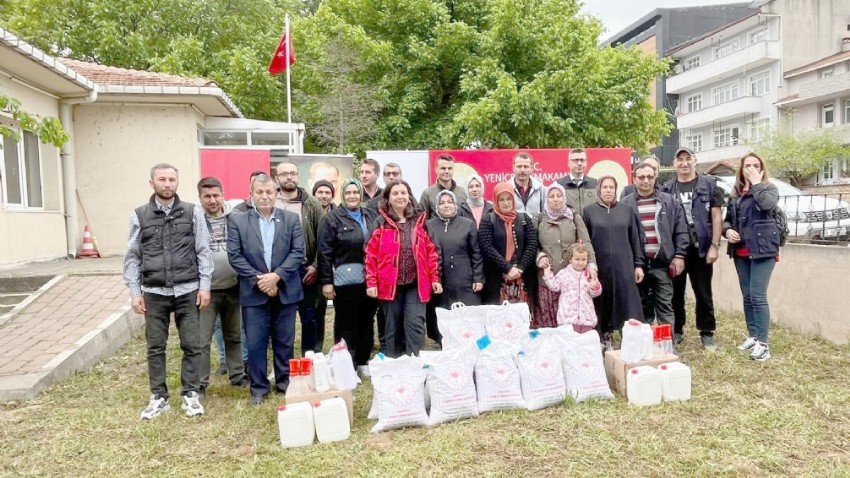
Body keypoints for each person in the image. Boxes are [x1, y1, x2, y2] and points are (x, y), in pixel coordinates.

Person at [124, 163, 212, 420]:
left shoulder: (192, 212)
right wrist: (134, 291)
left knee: (192, 344)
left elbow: (203, 251)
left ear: (178, 182)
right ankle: (159, 397)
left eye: (172, 179)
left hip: (188, 289)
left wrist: (204, 286)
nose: (167, 184)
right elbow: (132, 256)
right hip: (154, 291)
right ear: (152, 183)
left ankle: (191, 394)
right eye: (162, 179)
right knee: (155, 346)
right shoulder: (139, 215)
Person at [227, 173, 305, 406]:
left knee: (284, 340)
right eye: (259, 192)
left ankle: (284, 382)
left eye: (269, 192)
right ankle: (259, 388)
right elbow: (235, 256)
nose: (264, 196)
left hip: (286, 290)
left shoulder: (291, 220)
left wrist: (277, 277)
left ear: (276, 194)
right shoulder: (239, 221)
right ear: (251, 194)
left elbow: (297, 252)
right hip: (254, 292)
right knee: (256, 342)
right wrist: (261, 280)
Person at [365, 180, 441, 357]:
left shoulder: (420, 221)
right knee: (392, 326)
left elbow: (432, 252)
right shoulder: (380, 223)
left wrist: (435, 278)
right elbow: (370, 255)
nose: (400, 196)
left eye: (403, 193)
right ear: (388, 198)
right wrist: (371, 282)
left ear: (409, 196)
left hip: (416, 283)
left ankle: (415, 364)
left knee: (414, 325)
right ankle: (395, 364)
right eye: (395, 193)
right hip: (389, 285)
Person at [660, 147, 724, 351]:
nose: (684, 163)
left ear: (695, 161)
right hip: (677, 250)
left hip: (702, 249)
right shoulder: (667, 188)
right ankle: (677, 330)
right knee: (675, 293)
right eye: (680, 160)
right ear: (674, 163)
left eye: (688, 159)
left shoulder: (709, 185)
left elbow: (716, 217)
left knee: (703, 293)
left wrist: (714, 246)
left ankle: (707, 333)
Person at [722, 153, 780, 362]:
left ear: (762, 169)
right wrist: (727, 231)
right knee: (747, 296)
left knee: (757, 295)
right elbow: (727, 220)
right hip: (741, 251)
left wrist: (756, 183)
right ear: (741, 169)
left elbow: (767, 206)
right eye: (748, 165)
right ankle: (753, 336)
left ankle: (763, 344)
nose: (751, 168)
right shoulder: (736, 193)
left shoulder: (769, 189)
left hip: (763, 251)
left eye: (756, 165)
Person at [318, 178, 380, 373]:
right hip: (345, 282)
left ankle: (362, 360)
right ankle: (346, 363)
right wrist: (327, 282)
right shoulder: (332, 219)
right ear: (343, 195)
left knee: (367, 320)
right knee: (346, 323)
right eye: (348, 193)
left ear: (361, 194)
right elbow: (324, 253)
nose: (352, 196)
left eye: (356, 192)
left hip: (369, 279)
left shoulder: (371, 214)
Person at [620, 163, 688, 335]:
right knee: (640, 308)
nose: (645, 181)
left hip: (662, 264)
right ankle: (644, 346)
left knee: (665, 306)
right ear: (634, 179)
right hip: (637, 266)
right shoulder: (625, 205)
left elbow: (681, 230)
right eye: (641, 177)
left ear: (655, 177)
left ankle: (667, 346)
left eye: (649, 177)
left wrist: (679, 255)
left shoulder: (669, 201)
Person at [196, 177, 248, 395]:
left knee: (234, 335)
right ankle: (199, 383)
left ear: (223, 194)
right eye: (207, 196)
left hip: (234, 287)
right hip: (206, 290)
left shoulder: (236, 218)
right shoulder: (194, 220)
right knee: (202, 339)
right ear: (200, 197)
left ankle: (237, 375)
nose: (212, 200)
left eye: (216, 195)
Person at [582, 176, 645, 351]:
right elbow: (584, 241)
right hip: (600, 268)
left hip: (624, 267)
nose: (608, 190)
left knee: (628, 303)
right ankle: (604, 337)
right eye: (605, 187)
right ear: (598, 190)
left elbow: (636, 239)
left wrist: (638, 264)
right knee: (602, 303)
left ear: (616, 190)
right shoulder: (588, 212)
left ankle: (630, 338)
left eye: (611, 187)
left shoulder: (627, 210)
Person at [275, 161, 323, 354]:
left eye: (293, 173)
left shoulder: (312, 204)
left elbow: (323, 238)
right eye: (284, 174)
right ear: (276, 178)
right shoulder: (271, 202)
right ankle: (283, 361)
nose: (289, 177)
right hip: (278, 272)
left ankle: (309, 357)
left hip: (305, 271)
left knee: (309, 317)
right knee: (281, 319)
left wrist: (316, 265)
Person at [533, 182, 596, 329]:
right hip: (547, 279)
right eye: (552, 196)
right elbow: (532, 245)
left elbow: (586, 243)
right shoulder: (539, 219)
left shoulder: (574, 218)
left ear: (564, 198)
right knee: (549, 322)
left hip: (572, 281)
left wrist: (592, 267)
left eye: (559, 195)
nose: (556, 199)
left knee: (571, 323)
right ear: (546, 199)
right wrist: (539, 256)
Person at [426, 190, 485, 344]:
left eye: (449, 202)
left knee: (469, 319)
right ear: (437, 206)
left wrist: (478, 277)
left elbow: (476, 253)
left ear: (455, 204)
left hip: (465, 280)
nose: (446, 206)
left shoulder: (467, 224)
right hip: (440, 281)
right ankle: (446, 350)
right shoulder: (430, 225)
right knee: (444, 318)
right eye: (442, 202)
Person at [478, 182, 539, 309]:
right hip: (497, 279)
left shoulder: (524, 218)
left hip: (522, 278)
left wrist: (520, 267)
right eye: (501, 199)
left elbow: (532, 244)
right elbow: (487, 247)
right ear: (496, 200)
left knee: (522, 319)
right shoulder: (488, 219)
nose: (506, 203)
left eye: (509, 199)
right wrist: (508, 268)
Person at [542, 243, 602, 333]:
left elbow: (595, 293)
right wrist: (547, 273)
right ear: (570, 259)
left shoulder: (589, 274)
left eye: (583, 260)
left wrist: (595, 287)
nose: (580, 262)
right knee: (570, 341)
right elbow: (554, 286)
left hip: (586, 317)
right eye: (577, 259)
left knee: (584, 341)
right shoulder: (564, 273)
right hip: (567, 317)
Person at [311, 178, 335, 352]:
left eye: (327, 192)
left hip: (337, 269)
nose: (324, 196)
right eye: (320, 192)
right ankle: (316, 349)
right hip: (314, 270)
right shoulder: (307, 213)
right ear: (314, 194)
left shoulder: (338, 214)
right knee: (317, 312)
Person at [420, 154, 468, 219]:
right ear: (436, 169)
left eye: (450, 168)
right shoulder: (427, 194)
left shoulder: (462, 192)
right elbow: (422, 220)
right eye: (443, 168)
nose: (447, 171)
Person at [557, 148, 598, 216]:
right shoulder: (559, 185)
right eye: (575, 160)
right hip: (569, 225)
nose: (579, 163)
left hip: (590, 226)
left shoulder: (595, 184)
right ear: (568, 163)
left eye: (582, 160)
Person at [512, 152, 545, 216]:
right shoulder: (507, 188)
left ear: (532, 168)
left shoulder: (540, 188)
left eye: (526, 166)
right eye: (519, 166)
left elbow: (545, 214)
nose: (522, 170)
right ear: (513, 167)